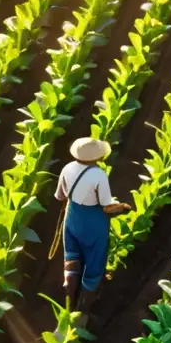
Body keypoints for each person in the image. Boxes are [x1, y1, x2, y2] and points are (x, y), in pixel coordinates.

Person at [54, 137, 131, 322]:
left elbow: (60, 196)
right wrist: (122, 208)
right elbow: (106, 206)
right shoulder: (98, 175)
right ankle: (83, 310)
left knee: (71, 256)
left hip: (71, 218)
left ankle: (68, 297)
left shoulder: (67, 168)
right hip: (93, 222)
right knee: (94, 263)